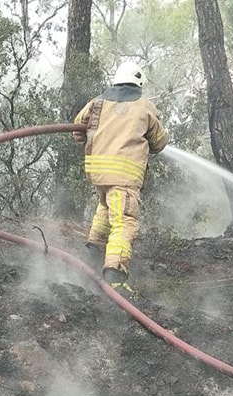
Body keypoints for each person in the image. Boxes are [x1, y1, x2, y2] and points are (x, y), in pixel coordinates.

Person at [72, 60, 168, 293]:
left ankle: (93, 252)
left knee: (106, 208)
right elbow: (159, 142)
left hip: (99, 173)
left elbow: (76, 131)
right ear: (139, 83)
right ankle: (115, 275)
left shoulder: (96, 102)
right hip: (124, 176)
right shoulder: (144, 107)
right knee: (124, 222)